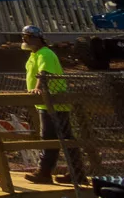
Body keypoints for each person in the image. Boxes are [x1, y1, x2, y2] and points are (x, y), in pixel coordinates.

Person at [23, 25, 85, 185]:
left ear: (35, 39)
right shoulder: (34, 54)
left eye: (26, 37)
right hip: (47, 103)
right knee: (63, 138)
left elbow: (44, 73)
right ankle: (76, 173)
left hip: (54, 102)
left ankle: (44, 172)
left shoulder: (45, 53)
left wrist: (38, 88)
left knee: (51, 138)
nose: (24, 40)